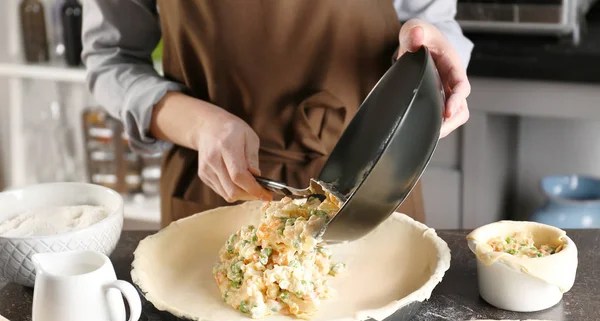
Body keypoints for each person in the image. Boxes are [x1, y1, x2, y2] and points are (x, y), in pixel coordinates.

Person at [81, 0, 473, 228]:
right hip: (219, 187)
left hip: (375, 178)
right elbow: (111, 59)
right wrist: (199, 124)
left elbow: (433, 21)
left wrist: (429, 59)